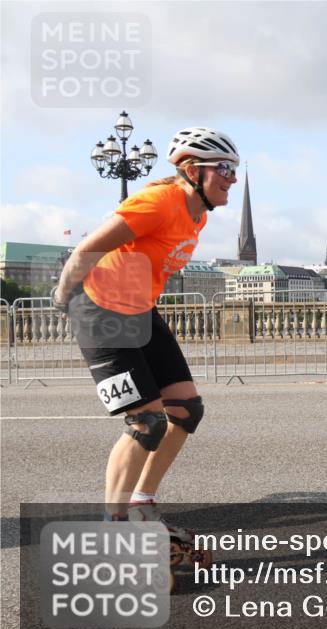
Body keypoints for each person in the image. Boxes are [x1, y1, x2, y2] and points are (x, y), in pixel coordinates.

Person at [52, 127, 239, 560]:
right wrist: (64, 298)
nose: (232, 177)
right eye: (224, 168)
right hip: (99, 310)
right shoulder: (159, 202)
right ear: (193, 171)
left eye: (234, 169)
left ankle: (141, 504)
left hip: (139, 312)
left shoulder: (198, 215)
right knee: (147, 423)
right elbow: (88, 248)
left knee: (186, 410)